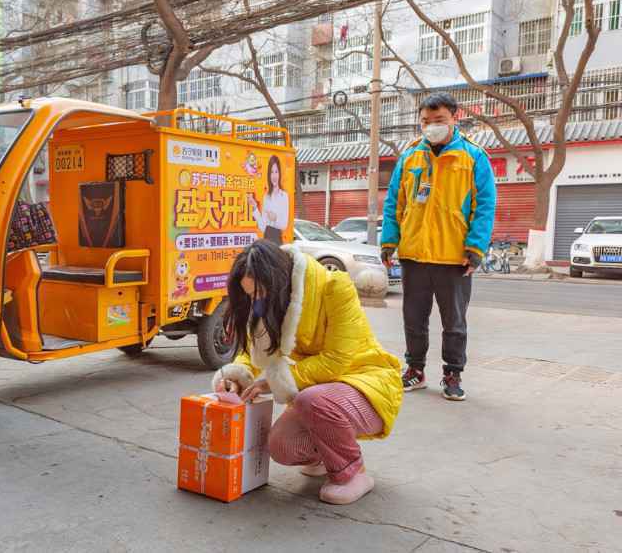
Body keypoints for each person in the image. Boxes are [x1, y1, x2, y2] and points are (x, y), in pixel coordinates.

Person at [212, 240, 403, 505]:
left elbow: (336, 360)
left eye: (258, 293)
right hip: (321, 393)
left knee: (309, 399)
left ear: (279, 282)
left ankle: (353, 473)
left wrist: (272, 381)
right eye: (249, 295)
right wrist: (236, 376)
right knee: (281, 446)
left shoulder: (336, 288)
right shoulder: (269, 300)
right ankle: (327, 454)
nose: (255, 300)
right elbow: (256, 348)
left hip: (369, 385)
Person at [380, 92, 496, 402]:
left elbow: (484, 206)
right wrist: (389, 241)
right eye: (426, 122)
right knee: (413, 319)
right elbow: (395, 203)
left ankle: (452, 373)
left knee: (454, 323)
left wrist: (475, 248)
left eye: (439, 121)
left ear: (454, 118)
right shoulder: (409, 158)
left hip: (454, 257)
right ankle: (415, 370)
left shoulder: (473, 156)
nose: (432, 126)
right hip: (415, 254)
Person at [249, 155, 289, 245]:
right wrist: (255, 207)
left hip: (277, 241)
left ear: (279, 173)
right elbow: (263, 226)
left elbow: (284, 225)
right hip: (266, 241)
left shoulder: (284, 196)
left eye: (276, 172)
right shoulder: (266, 197)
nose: (274, 176)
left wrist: (275, 218)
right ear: (268, 174)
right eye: (271, 172)